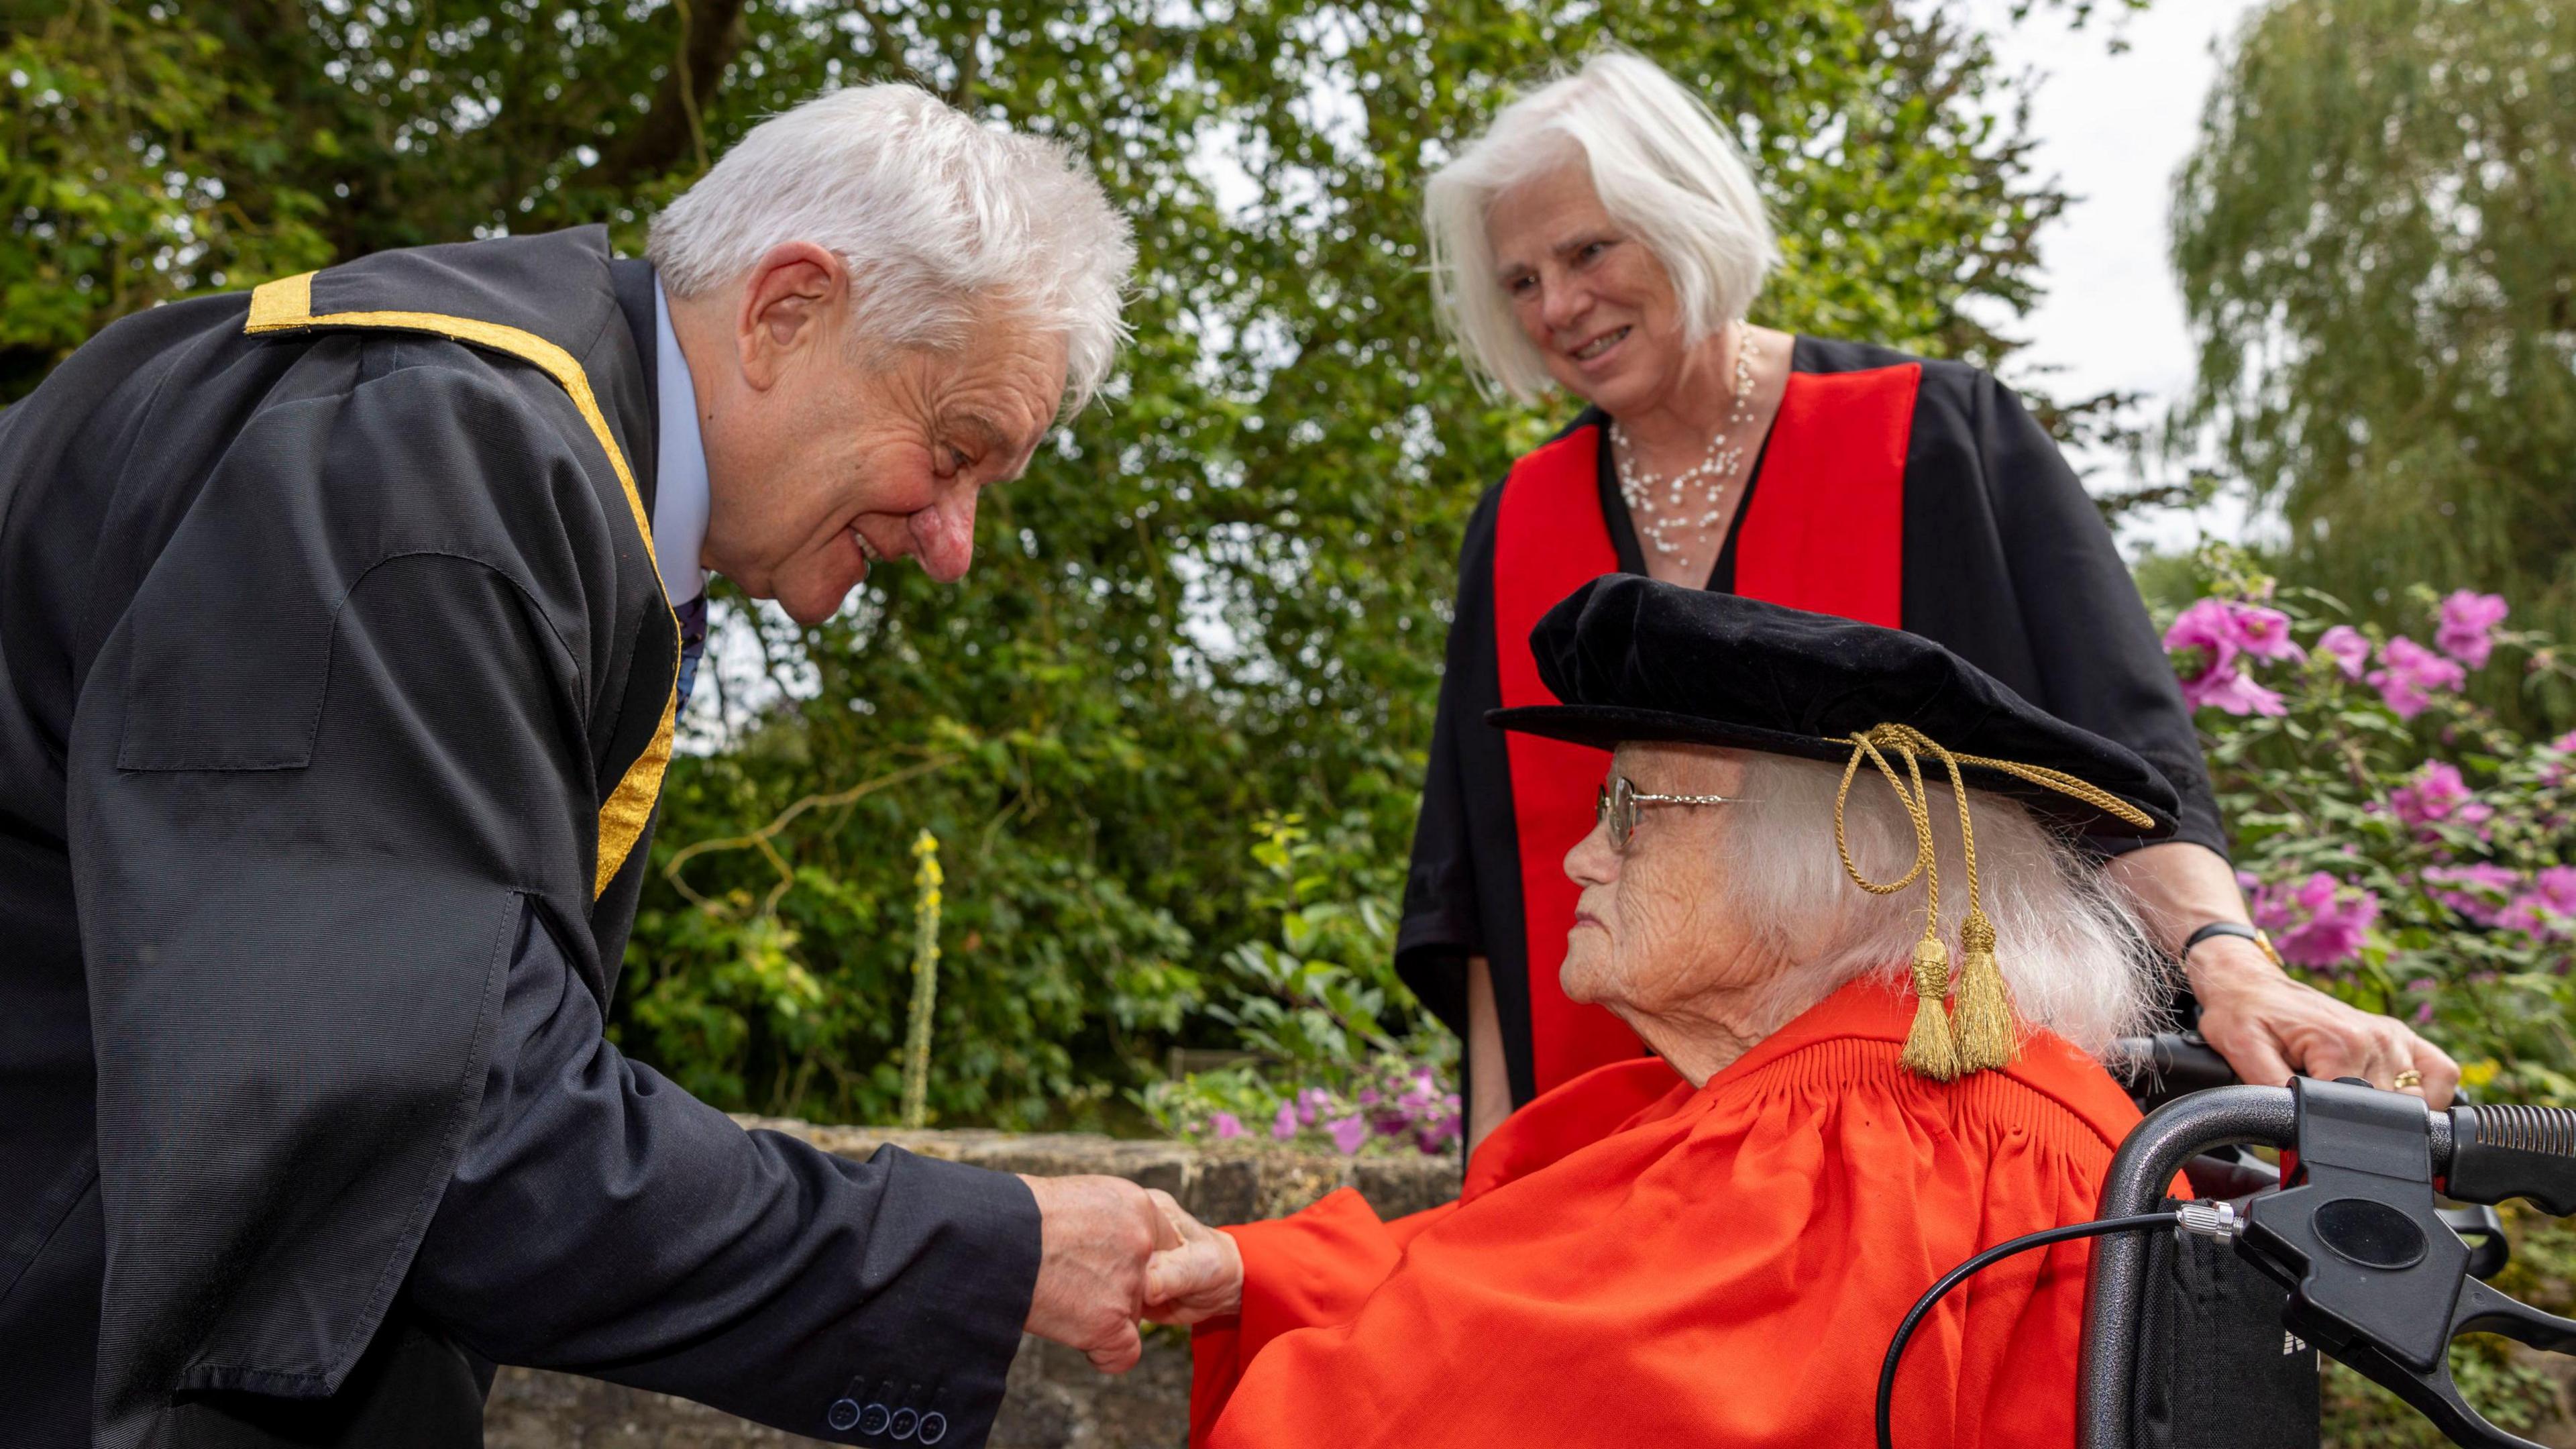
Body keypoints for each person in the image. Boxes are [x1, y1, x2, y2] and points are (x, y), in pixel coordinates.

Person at [0, 85, 1163, 1448]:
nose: (954, 545)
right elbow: (428, 1131)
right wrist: (973, 1252)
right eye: (956, 452)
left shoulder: (544, 469)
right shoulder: (425, 465)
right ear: (788, 308)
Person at [1397, 48, 2457, 1149]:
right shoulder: (1518, 522)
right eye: (1521, 280)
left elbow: (2122, 766)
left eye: (1587, 250)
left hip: (1919, 1148)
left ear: (1685, 217)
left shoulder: (1937, 438)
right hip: (1605, 1162)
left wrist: (2230, 966)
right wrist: (1491, 1175)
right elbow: (1478, 903)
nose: (1560, 305)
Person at [1146, 576, 2197, 1448]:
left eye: (1631, 810)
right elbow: (1507, 1264)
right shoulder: (1924, 1101)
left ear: (1832, 865)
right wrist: (1258, 1270)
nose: (1580, 856)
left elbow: (1490, 1385)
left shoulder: (1842, 1142)